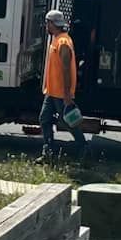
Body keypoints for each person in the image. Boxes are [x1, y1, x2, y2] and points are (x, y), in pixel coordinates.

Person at [38, 9, 87, 164]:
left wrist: (67, 94)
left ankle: (84, 149)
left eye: (47, 22)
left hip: (60, 93)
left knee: (69, 122)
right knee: (44, 119)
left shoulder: (63, 42)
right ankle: (48, 153)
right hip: (51, 91)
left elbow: (66, 69)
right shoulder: (56, 38)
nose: (46, 25)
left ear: (53, 24)